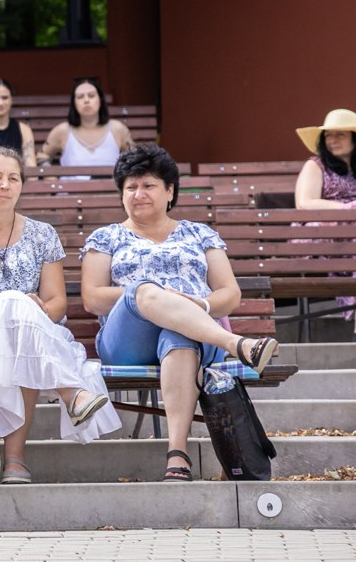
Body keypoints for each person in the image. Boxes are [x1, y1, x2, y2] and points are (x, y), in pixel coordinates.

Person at [80, 144, 278, 482]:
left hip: (194, 332)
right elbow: (94, 298)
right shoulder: (106, 237)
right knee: (143, 288)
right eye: (130, 187)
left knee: (178, 333)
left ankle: (178, 454)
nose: (138, 194)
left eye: (148, 185)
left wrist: (197, 305)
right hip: (128, 340)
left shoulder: (200, 234)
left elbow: (229, 295)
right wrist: (151, 295)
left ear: (170, 190)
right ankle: (238, 345)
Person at [0, 150, 117, 482]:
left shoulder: (42, 234)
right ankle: (70, 394)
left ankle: (16, 460)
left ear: (21, 186)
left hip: (40, 332)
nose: (5, 184)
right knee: (13, 310)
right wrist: (14, 302)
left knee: (21, 333)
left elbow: (57, 303)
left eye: (13, 178)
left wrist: (26, 311)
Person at [42, 78, 132, 173]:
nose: (86, 100)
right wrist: (50, 178)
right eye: (80, 97)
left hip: (112, 187)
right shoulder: (62, 130)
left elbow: (135, 157)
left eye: (91, 96)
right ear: (74, 103)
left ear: (100, 99)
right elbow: (42, 156)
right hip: (70, 187)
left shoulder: (117, 129)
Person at [293, 108, 356, 209]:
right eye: (328, 135)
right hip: (325, 222)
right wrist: (346, 208)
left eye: (340, 135)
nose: (332, 141)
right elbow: (304, 203)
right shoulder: (316, 165)